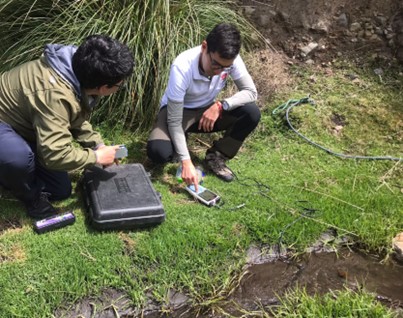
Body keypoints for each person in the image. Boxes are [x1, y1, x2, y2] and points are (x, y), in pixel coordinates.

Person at [0, 34, 134, 219]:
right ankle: (30, 197)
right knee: (18, 159)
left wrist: (97, 144)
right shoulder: (55, 94)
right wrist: (95, 157)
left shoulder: (77, 66)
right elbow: (54, 155)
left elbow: (74, 115)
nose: (119, 88)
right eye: (119, 86)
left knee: (60, 190)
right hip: (3, 122)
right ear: (104, 87)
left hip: (25, 122)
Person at [147, 23, 260, 189]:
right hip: (177, 112)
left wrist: (221, 106)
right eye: (216, 64)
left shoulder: (230, 59)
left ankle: (217, 156)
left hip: (207, 110)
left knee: (251, 113)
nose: (220, 71)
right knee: (158, 152)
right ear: (204, 47)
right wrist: (187, 162)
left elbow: (251, 92)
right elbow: (174, 120)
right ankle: (179, 143)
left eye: (226, 68)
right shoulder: (182, 66)